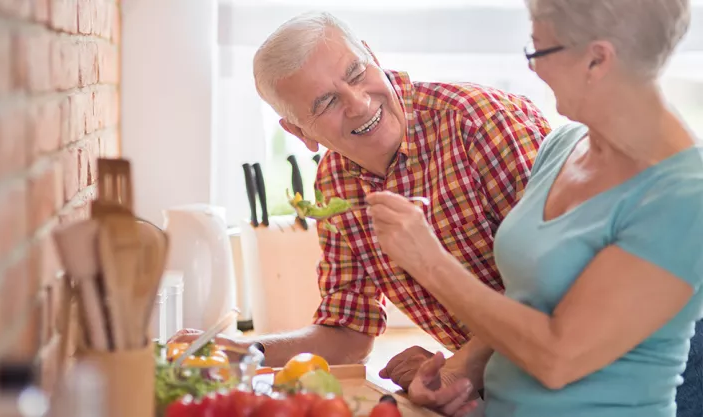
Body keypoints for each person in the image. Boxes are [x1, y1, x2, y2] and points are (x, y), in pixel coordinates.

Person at [171, 8, 548, 397]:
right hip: (504, 388)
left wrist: (460, 367)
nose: (358, 103)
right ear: (299, 132)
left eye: (355, 73)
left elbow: (554, 282)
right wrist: (247, 351)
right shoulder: (334, 184)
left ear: (373, 56)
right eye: (325, 102)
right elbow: (349, 332)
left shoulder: (478, 123)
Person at [367, 0, 702, 416]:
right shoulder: (561, 147)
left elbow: (558, 358)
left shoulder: (684, 196)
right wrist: (460, 376)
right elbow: (530, 302)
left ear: (597, 60)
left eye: (539, 50)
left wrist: (430, 261)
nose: (533, 68)